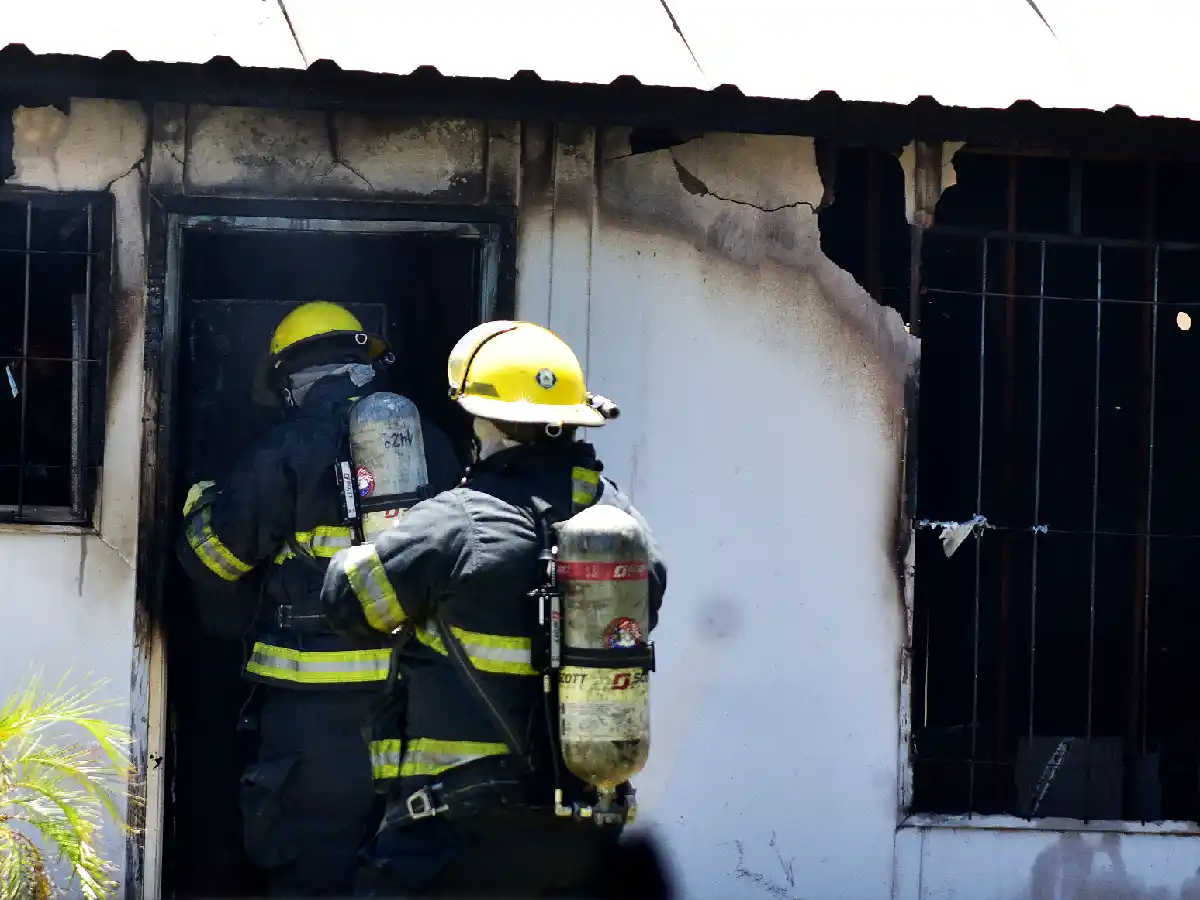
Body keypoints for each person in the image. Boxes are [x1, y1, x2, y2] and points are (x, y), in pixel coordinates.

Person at [320, 320, 668, 898]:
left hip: (456, 840)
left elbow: (348, 603)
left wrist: (369, 543)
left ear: (486, 422)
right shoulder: (624, 530)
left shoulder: (456, 521)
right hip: (582, 837)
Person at [175, 300, 462, 897]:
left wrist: (201, 504)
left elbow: (213, 560)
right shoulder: (434, 445)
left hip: (313, 705)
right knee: (404, 864)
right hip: (414, 696)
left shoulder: (287, 448)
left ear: (289, 377)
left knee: (312, 864)